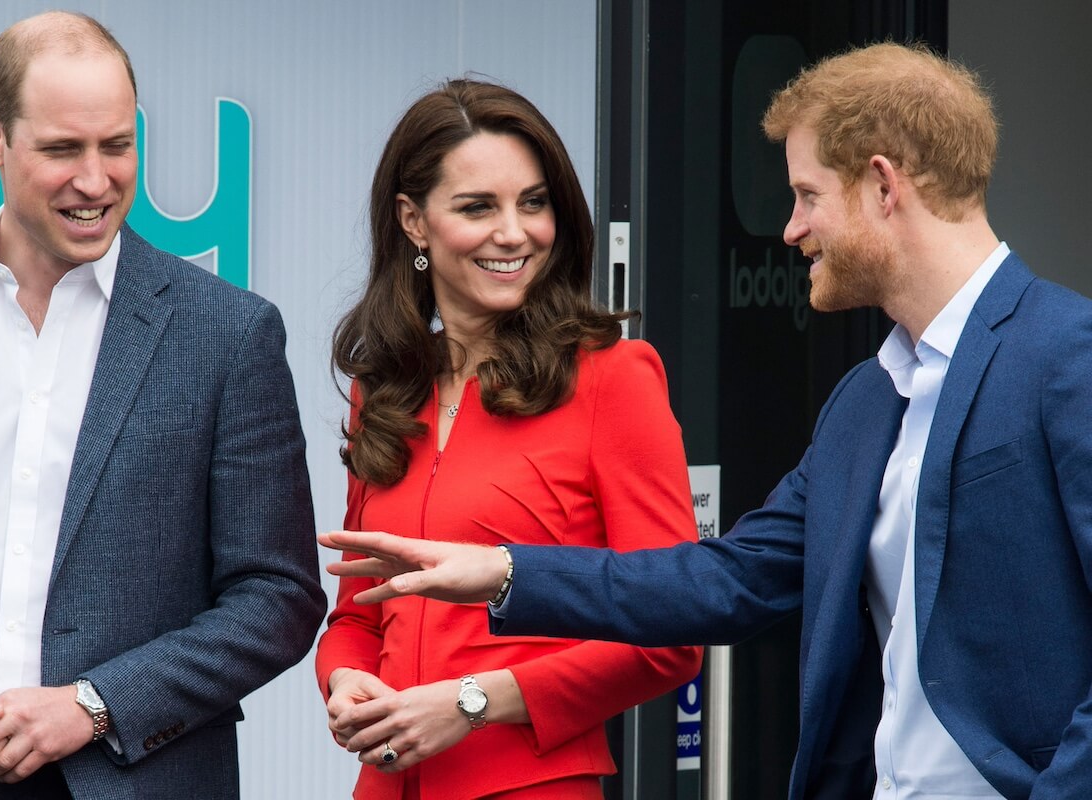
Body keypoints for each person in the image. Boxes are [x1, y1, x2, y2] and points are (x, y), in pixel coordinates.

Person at [320, 42, 1092, 800]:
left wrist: (472, 695)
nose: (789, 229)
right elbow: (726, 579)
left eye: (806, 195)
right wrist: (504, 572)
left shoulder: (1067, 357)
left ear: (881, 186)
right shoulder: (867, 400)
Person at [0, 11, 325, 799]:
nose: (95, 181)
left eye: (117, 146)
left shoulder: (229, 333)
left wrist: (93, 708)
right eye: (63, 149)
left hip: (138, 777)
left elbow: (279, 599)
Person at [315, 78, 703, 800]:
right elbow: (358, 613)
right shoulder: (388, 389)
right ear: (413, 221)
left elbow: (673, 634)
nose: (515, 233)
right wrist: (345, 683)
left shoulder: (613, 380)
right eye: (477, 207)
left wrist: (469, 702)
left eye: (534, 202)